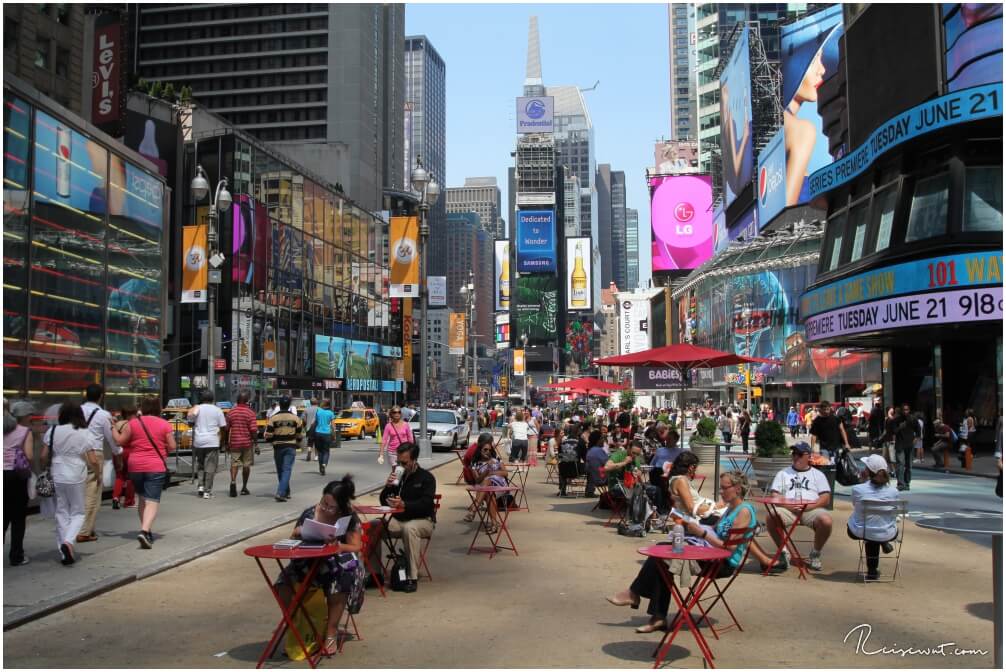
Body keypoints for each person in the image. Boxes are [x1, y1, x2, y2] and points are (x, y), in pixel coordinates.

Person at [605, 471, 759, 633]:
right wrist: (691, 526)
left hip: (723, 563)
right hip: (711, 554)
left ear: (737, 488)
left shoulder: (744, 512)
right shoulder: (730, 509)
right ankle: (654, 614)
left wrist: (701, 533)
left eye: (724, 488)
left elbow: (729, 548)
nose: (720, 492)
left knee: (662, 557)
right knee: (661, 553)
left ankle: (640, 599)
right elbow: (714, 531)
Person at [275, 476, 366, 656]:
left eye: (331, 507)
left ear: (340, 507)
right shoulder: (309, 513)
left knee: (340, 580)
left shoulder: (349, 517)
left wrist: (337, 546)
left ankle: (330, 633)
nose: (325, 508)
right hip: (306, 561)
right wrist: (296, 534)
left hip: (335, 561)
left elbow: (356, 546)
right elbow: (293, 538)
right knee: (282, 585)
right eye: (323, 503)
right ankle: (299, 625)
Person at [42, 402, 101, 565]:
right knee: (78, 512)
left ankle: (63, 550)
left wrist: (44, 468)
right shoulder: (84, 432)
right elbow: (93, 460)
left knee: (61, 511)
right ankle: (68, 542)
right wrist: (98, 474)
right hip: (76, 472)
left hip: (57, 470)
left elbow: (43, 455)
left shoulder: (52, 430)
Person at [113, 395, 175, 549]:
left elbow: (119, 441)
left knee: (142, 499)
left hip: (135, 466)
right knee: (152, 500)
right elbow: (172, 446)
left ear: (143, 407)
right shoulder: (164, 424)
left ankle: (146, 532)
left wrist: (112, 427)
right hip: (155, 466)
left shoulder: (133, 423)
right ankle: (145, 530)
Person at [378, 443, 436, 593]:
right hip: (399, 520)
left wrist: (405, 504)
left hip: (423, 520)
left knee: (410, 529)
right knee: (374, 526)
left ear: (414, 460)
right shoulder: (399, 476)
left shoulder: (426, 478)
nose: (400, 465)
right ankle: (375, 574)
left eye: (404, 463)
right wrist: (387, 487)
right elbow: (384, 501)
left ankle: (411, 577)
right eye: (398, 462)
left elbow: (426, 504)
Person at [766, 442, 833, 571]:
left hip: (811, 509)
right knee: (771, 516)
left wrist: (809, 507)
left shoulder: (818, 474)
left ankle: (815, 553)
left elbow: (825, 498)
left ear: (808, 456)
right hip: (788, 509)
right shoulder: (783, 473)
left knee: (826, 521)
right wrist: (788, 505)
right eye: (794, 454)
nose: (795, 457)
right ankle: (784, 552)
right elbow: (775, 495)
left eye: (799, 454)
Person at [846, 454, 900, 581]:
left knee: (867, 529)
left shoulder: (858, 489)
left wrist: (862, 481)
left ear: (868, 472)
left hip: (862, 530)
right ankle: (882, 543)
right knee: (875, 527)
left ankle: (872, 570)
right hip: (888, 532)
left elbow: (855, 505)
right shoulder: (894, 491)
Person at [77, 383, 115, 543]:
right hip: (95, 453)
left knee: (78, 491)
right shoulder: (103, 414)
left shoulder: (77, 411)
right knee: (92, 492)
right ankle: (85, 531)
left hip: (76, 453)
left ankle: (76, 527)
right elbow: (111, 439)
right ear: (101, 396)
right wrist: (118, 453)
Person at [4, 401, 35, 566]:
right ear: (25, 416)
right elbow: (29, 456)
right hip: (16, 476)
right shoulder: (25, 431)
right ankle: (16, 555)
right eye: (31, 415)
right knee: (17, 518)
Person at [187, 391, 228, 499]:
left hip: (199, 441)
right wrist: (223, 441)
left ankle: (200, 486)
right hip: (212, 441)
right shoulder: (217, 410)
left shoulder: (197, 408)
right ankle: (207, 491)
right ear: (213, 399)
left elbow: (190, 422)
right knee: (210, 467)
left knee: (200, 464)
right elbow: (223, 427)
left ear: (202, 399)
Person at [464, 439, 509, 534]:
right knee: (489, 494)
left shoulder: (496, 459)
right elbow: (477, 480)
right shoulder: (475, 464)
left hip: (500, 486)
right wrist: (485, 472)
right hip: (484, 489)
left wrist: (491, 473)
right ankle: (494, 523)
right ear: (480, 450)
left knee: (487, 481)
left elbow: (505, 473)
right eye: (485, 449)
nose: (487, 452)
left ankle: (474, 508)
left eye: (489, 450)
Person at [667, 452, 723, 523]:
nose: (696, 470)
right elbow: (691, 508)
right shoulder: (681, 481)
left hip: (698, 514)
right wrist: (715, 507)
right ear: (691, 467)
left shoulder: (677, 479)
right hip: (695, 519)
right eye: (695, 467)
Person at [265, 397, 303, 502]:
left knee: (280, 470)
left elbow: (268, 434)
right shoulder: (296, 418)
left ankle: (283, 491)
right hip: (291, 446)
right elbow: (299, 434)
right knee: (287, 470)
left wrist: (272, 440)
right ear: (289, 405)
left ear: (280, 405)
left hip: (278, 447)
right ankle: (283, 492)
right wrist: (298, 443)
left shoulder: (273, 418)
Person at [226, 392, 258, 497]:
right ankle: (244, 487)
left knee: (234, 463)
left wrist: (226, 442)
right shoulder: (250, 413)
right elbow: (253, 430)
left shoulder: (231, 412)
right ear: (247, 401)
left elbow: (226, 429)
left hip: (234, 442)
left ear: (237, 401)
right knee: (246, 465)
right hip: (247, 443)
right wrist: (256, 444)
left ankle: (233, 481)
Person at [110, 406, 137, 510]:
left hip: (117, 452)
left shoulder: (117, 424)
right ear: (131, 414)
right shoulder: (132, 424)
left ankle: (116, 497)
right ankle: (129, 501)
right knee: (131, 477)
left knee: (119, 476)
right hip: (129, 451)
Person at [891, 403, 918, 491]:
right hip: (900, 444)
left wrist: (916, 438)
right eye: (904, 410)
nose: (905, 412)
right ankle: (900, 483)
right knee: (900, 464)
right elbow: (894, 431)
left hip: (909, 444)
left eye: (907, 410)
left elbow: (918, 430)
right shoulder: (897, 420)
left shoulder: (913, 419)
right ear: (901, 411)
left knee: (909, 465)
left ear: (909, 410)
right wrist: (900, 427)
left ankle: (907, 483)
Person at [312, 399, 335, 476]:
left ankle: (320, 466)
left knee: (320, 451)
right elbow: (333, 425)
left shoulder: (318, 412)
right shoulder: (331, 413)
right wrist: (333, 435)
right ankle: (324, 464)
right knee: (326, 451)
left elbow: (314, 422)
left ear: (324, 404)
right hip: (326, 434)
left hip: (318, 433)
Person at [584, 429, 609, 498]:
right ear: (598, 440)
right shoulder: (598, 451)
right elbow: (608, 463)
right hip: (601, 479)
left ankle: (589, 491)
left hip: (594, 476)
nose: (603, 441)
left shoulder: (590, 450)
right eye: (602, 438)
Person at [302, 397, 318, 462]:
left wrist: (305, 426)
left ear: (310, 403)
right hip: (317, 428)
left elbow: (304, 419)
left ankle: (309, 451)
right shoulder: (319, 409)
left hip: (309, 428)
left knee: (310, 442)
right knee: (317, 443)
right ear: (316, 402)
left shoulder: (306, 410)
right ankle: (316, 456)